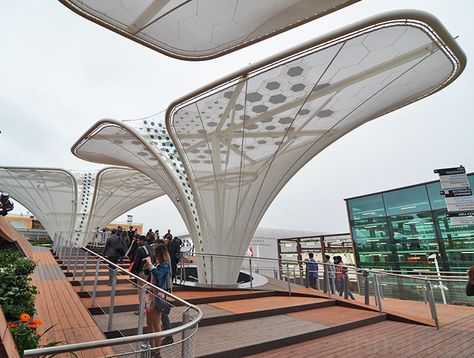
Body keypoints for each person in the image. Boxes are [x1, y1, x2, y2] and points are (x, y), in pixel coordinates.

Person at [143, 243, 172, 352]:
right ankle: (151, 348)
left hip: (157, 297)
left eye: (155, 252)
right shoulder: (157, 263)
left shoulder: (165, 265)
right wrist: (147, 267)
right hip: (150, 296)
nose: (154, 253)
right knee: (149, 323)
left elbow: (159, 276)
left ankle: (157, 351)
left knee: (156, 325)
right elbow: (150, 274)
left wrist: (150, 264)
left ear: (160, 253)